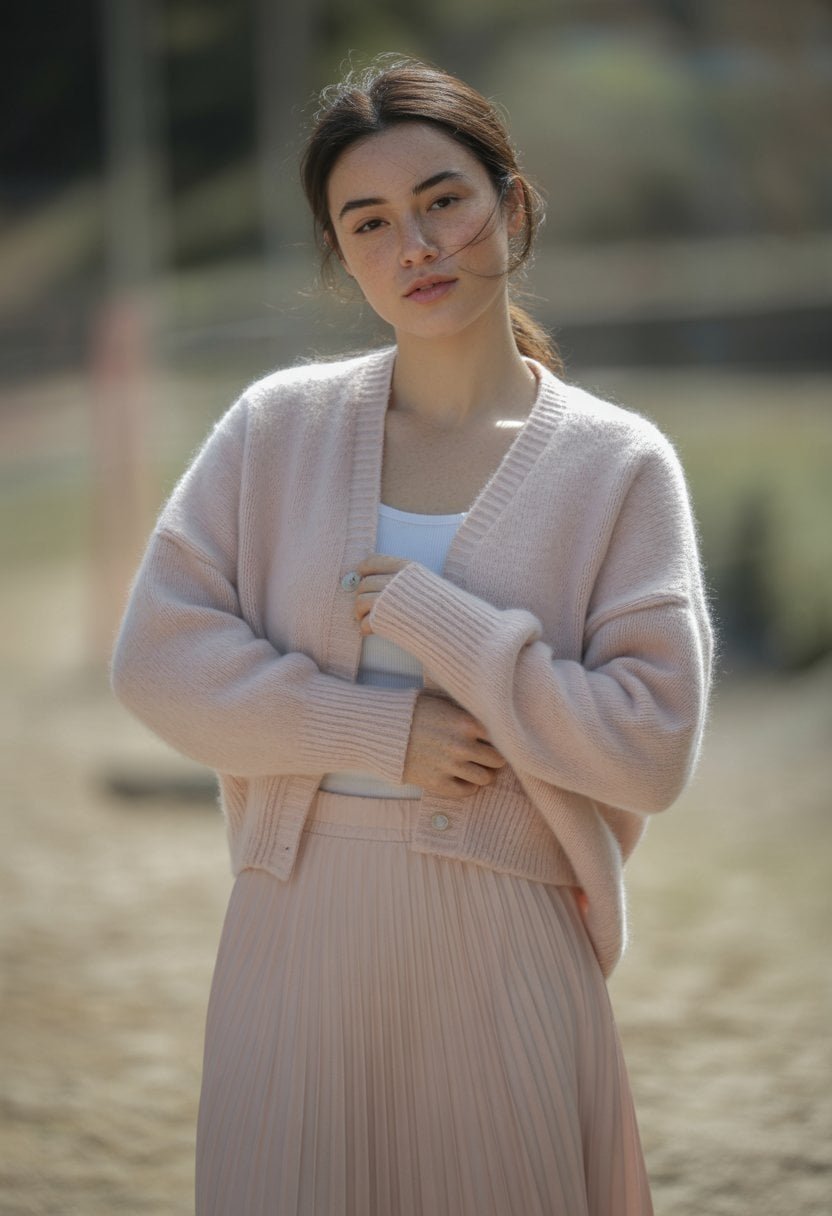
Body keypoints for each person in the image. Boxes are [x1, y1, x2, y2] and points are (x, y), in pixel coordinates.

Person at [111, 54, 712, 1216]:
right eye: (370, 222)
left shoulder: (619, 464)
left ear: (512, 205)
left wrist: (457, 633)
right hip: (298, 923)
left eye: (443, 198)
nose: (416, 245)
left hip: (509, 937)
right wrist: (379, 729)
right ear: (344, 258)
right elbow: (157, 660)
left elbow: (652, 748)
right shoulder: (274, 428)